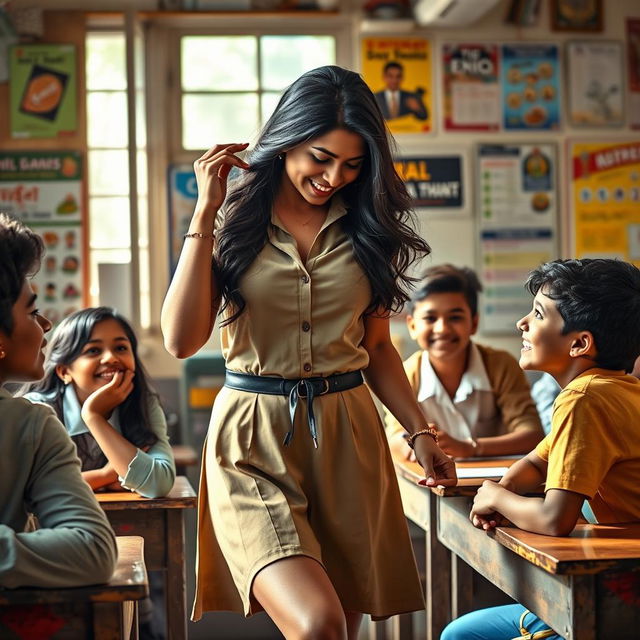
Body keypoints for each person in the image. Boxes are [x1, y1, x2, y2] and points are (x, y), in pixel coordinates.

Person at [161, 65, 456, 639]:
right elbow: (179, 341)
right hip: (251, 439)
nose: (333, 177)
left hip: (349, 434)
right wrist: (203, 214)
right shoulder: (232, 222)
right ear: (287, 139)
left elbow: (376, 348)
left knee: (339, 629)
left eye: (351, 165)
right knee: (317, 623)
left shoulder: (369, 227)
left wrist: (421, 434)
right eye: (320, 158)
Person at [442, 258, 640, 640]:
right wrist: (503, 492)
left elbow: (555, 520)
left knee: (460, 636)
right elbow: (536, 460)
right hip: (619, 577)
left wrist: (496, 497)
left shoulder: (584, 398)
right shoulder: (617, 389)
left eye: (537, 313)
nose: (522, 323)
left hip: (621, 593)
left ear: (579, 343)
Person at [0, 213, 117, 588]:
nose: (45, 325)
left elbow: (90, 548)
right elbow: (92, 550)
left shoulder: (31, 425)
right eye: (32, 311)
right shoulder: (30, 425)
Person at [386, 264, 543, 460]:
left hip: (495, 481)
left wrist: (471, 448)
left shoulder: (501, 365)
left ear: (474, 323)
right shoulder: (403, 374)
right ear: (412, 325)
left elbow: (532, 435)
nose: (442, 329)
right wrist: (413, 443)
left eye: (455, 317)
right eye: (430, 318)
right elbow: (393, 437)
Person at [24, 307, 175, 499]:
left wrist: (93, 417)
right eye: (93, 350)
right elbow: (30, 488)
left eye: (121, 348)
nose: (111, 358)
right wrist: (105, 476)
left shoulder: (144, 404)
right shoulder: (38, 411)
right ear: (64, 371)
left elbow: (158, 484)